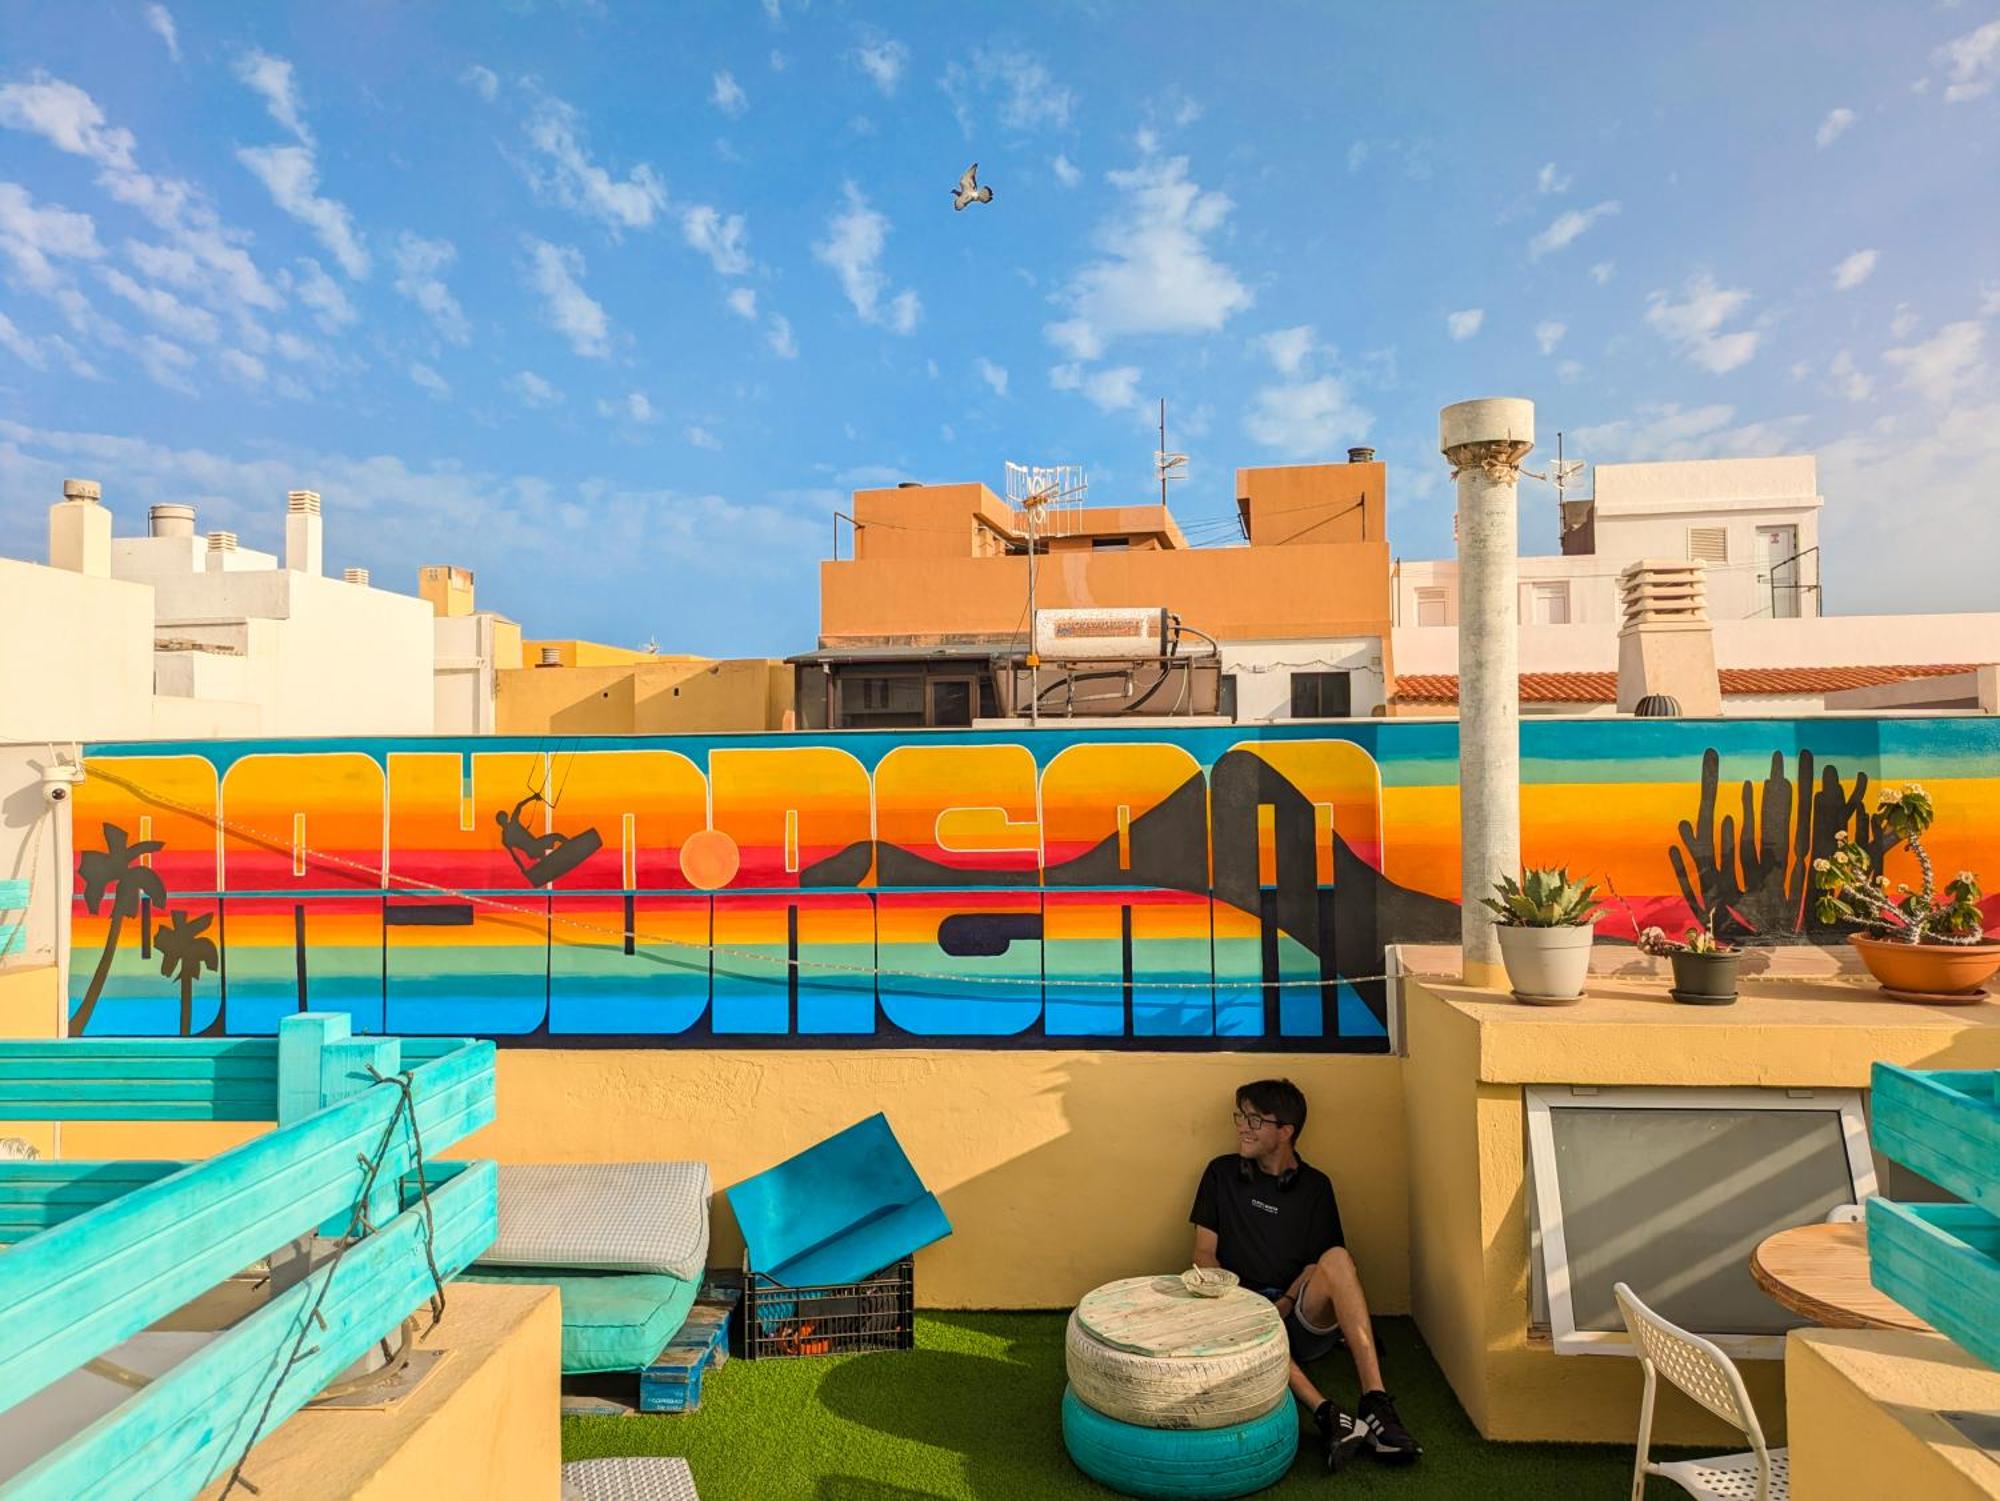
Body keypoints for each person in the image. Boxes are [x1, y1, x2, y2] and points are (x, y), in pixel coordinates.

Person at [1189, 1078, 1421, 1471]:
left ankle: (1375, 1401)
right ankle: (1328, 1414)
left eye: (1255, 1120)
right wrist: (1244, 1306)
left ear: (1285, 1131)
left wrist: (1285, 1302)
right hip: (1241, 1314)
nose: (1243, 1127)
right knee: (1246, 1325)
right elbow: (1203, 1253)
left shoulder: (1316, 1187)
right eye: (1240, 1117)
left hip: (1299, 1311)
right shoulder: (1220, 1173)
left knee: (1339, 1258)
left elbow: (1318, 1264)